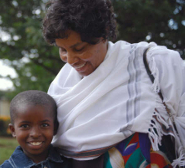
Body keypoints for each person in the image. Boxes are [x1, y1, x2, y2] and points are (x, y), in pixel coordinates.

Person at [42, 0, 185, 167]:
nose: (71, 60)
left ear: (104, 34)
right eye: (63, 50)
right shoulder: (59, 87)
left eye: (79, 48)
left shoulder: (154, 64)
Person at [0, 90, 72, 168]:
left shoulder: (71, 163)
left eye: (44, 125)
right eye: (25, 126)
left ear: (55, 128)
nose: (35, 134)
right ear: (13, 130)